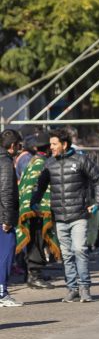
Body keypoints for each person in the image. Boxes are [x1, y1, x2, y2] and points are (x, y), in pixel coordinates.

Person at [31, 128, 99, 302]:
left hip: (79, 215)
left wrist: (97, 204)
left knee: (79, 250)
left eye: (54, 144)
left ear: (64, 144)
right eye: (50, 144)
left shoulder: (81, 160)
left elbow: (98, 179)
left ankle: (85, 288)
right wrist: (33, 202)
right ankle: (72, 288)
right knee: (66, 254)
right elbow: (39, 186)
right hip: (59, 217)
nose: (51, 147)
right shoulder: (49, 164)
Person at [15, 132, 60, 289]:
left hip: (31, 208)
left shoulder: (34, 161)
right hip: (36, 210)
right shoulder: (42, 163)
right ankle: (34, 275)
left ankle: (34, 273)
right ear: (47, 147)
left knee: (36, 239)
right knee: (36, 240)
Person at [0, 130, 22, 307]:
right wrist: (7, 219)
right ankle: (2, 293)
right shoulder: (5, 161)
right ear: (13, 145)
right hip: (2, 218)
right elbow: (6, 190)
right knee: (5, 255)